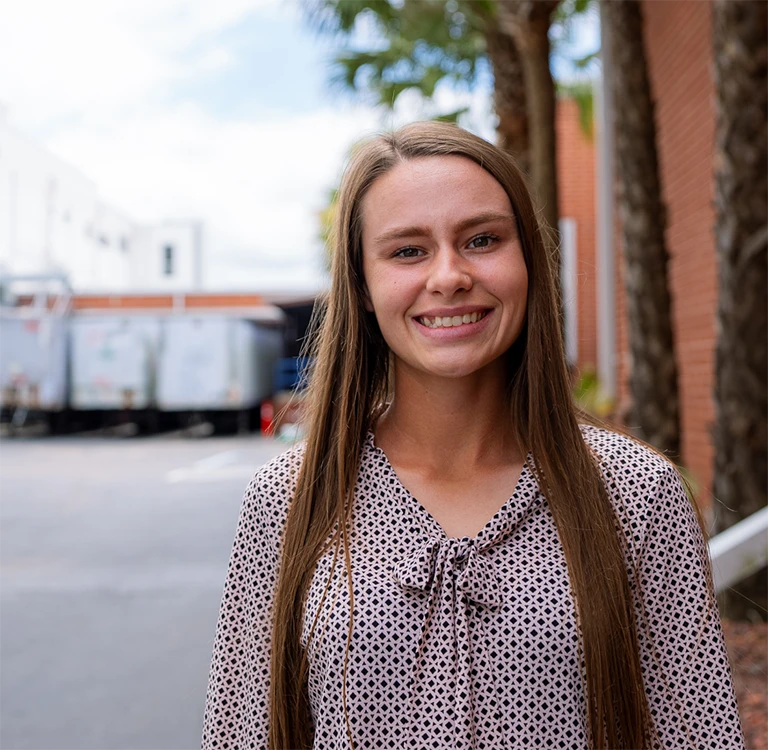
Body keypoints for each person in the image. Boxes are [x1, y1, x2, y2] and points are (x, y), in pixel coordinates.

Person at [201, 122, 745, 749]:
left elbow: (698, 734)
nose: (449, 275)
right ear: (364, 286)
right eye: (407, 250)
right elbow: (241, 732)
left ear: (528, 262)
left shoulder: (635, 494)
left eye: (482, 239)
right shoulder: (290, 497)